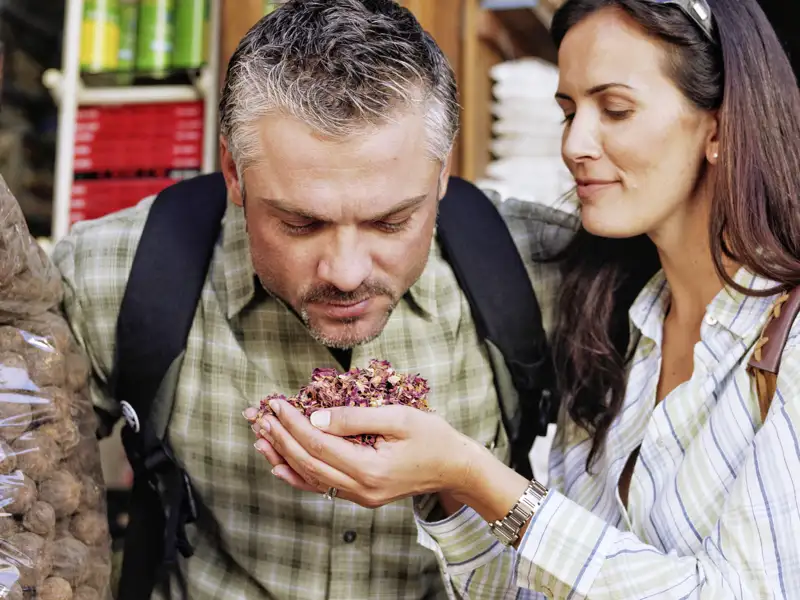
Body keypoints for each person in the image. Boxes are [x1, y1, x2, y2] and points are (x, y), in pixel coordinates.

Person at [252, 0, 800, 598]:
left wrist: (474, 473)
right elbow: (544, 587)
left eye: (615, 109)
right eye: (568, 111)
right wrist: (444, 489)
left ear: (719, 127)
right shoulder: (613, 323)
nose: (575, 144)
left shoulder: (786, 342)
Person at [52, 0, 576, 598]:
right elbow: (26, 483)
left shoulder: (546, 273)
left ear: (440, 174)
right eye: (301, 224)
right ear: (234, 172)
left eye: (391, 222)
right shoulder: (110, 275)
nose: (347, 274)